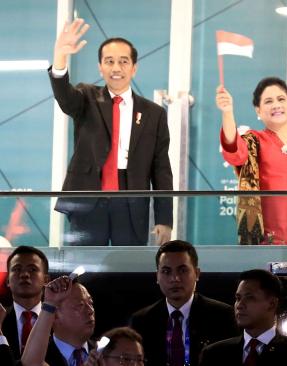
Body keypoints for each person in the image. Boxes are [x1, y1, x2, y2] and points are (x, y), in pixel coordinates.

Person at [48, 18, 173, 246]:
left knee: (126, 272)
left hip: (131, 200)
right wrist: (60, 57)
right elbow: (64, 97)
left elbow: (161, 169)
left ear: (134, 68)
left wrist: (165, 219)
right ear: (100, 67)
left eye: (123, 61)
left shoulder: (154, 113)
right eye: (109, 61)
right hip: (89, 198)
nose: (116, 68)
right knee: (83, 271)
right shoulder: (86, 97)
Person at [217, 77, 287, 245]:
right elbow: (234, 152)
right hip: (265, 239)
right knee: (268, 271)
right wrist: (227, 111)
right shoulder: (253, 141)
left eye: (281, 99)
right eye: (268, 101)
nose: (276, 105)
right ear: (258, 110)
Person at [130, 240, 237, 366]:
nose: (175, 278)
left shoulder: (222, 316)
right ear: (157, 276)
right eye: (166, 272)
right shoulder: (141, 321)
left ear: (197, 274)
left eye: (182, 270)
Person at [199, 269, 287, 365]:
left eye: (249, 297)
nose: (239, 305)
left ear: (272, 304)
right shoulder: (214, 354)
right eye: (238, 298)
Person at [21, 276, 96, 366]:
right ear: (55, 315)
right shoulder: (38, 356)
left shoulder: (106, 353)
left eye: (90, 303)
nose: (90, 310)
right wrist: (50, 303)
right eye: (80, 305)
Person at [2, 246, 50, 359]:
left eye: (32, 269)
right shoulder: (1, 321)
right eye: (17, 269)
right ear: (8, 281)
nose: (24, 275)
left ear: (46, 280)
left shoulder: (60, 321)